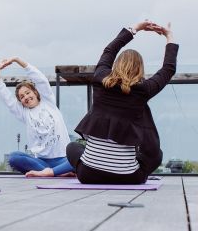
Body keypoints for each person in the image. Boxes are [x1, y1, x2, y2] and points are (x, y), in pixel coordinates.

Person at [70, 21, 177, 184]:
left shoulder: (100, 78)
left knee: (72, 147)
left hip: (87, 174)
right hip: (128, 177)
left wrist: (136, 28)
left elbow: (109, 50)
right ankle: (121, 165)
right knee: (157, 155)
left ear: (116, 64)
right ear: (140, 69)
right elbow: (168, 69)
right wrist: (169, 36)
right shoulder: (144, 89)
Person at [0, 57, 73, 177]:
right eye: (22, 97)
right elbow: (6, 97)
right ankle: (56, 173)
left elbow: (40, 79)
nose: (26, 97)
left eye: (27, 92)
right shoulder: (24, 113)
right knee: (14, 157)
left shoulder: (48, 101)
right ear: (20, 101)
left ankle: (52, 172)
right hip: (41, 161)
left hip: (63, 159)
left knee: (80, 158)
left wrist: (17, 60)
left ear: (35, 92)